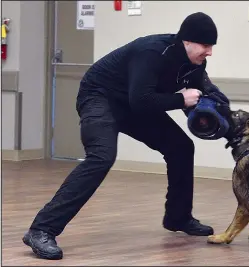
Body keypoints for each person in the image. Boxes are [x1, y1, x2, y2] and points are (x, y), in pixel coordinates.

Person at [22, 12, 230, 260]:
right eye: (206, 46)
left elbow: (209, 94)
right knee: (101, 157)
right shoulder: (152, 52)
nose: (209, 52)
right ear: (187, 41)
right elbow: (142, 100)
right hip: (100, 97)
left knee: (181, 147)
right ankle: (41, 229)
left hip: (134, 104)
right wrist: (180, 99)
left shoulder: (195, 65)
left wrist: (228, 118)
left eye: (211, 47)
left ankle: (178, 217)